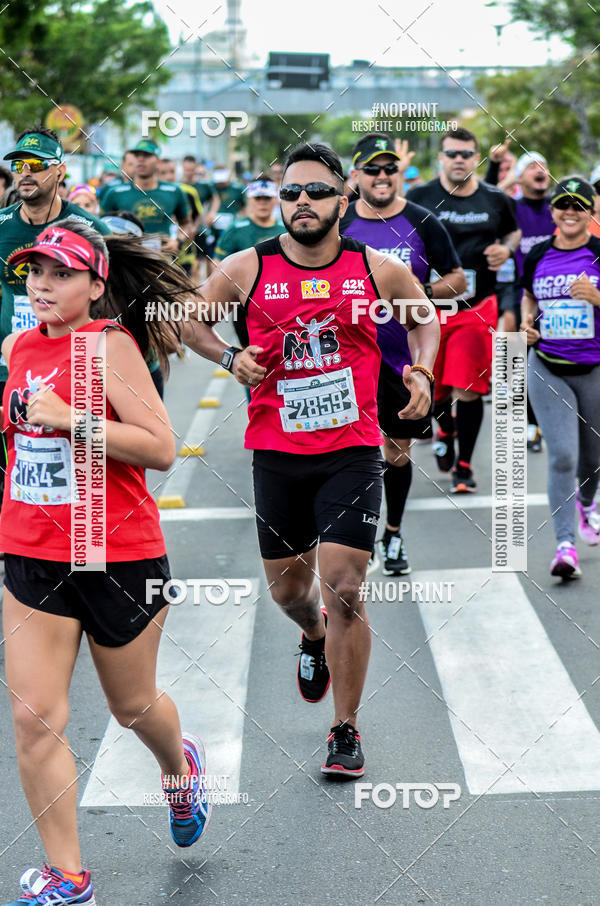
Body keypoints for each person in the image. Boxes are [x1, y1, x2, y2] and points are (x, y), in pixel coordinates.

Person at [182, 142, 439, 778]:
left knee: (346, 585)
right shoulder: (247, 268)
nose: (302, 202)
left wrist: (424, 373)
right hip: (276, 451)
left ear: (343, 200)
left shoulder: (376, 269)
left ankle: (345, 729)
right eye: (293, 192)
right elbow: (190, 323)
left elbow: (423, 319)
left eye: (317, 192)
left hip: (351, 448)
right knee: (291, 591)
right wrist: (228, 358)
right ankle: (312, 633)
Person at [0, 218, 211, 905]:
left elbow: (159, 447)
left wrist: (70, 418)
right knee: (34, 717)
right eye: (35, 272)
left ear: (95, 285)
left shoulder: (108, 346)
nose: (43, 285)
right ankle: (68, 877)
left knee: (132, 706)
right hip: (32, 552)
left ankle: (180, 769)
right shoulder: (18, 347)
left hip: (117, 552)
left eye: (61, 274)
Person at [341, 133, 465, 575]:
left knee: (396, 452)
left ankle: (392, 533)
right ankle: (358, 539)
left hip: (402, 360)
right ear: (355, 175)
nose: (381, 176)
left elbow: (457, 279)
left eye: (389, 168)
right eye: (372, 168)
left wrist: (412, 295)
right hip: (348, 360)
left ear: (400, 174)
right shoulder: (339, 226)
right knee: (352, 452)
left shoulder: (422, 220)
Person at [407, 127, 520, 492]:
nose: (459, 160)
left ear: (477, 158)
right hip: (429, 311)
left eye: (466, 154)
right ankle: (445, 429)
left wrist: (506, 250)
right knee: (436, 387)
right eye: (452, 153)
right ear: (440, 157)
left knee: (468, 388)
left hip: (475, 309)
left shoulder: (495, 198)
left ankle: (464, 467)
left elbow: (512, 233)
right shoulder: (420, 197)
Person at [521, 177, 600, 579]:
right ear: (552, 211)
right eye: (562, 205)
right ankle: (564, 545)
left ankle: (587, 502)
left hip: (595, 369)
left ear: (591, 212)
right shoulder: (536, 254)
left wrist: (598, 297)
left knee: (592, 459)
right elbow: (528, 297)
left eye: (578, 205)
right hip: (547, 365)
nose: (570, 212)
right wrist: (527, 323)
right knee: (563, 456)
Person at [214, 178, 283, 353]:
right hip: (245, 306)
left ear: (275, 199)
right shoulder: (236, 229)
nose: (262, 203)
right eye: (257, 198)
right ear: (249, 199)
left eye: (267, 198)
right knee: (251, 353)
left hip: (281, 300)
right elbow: (217, 265)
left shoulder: (285, 229)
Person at [99, 139, 192, 258]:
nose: (141, 159)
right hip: (126, 262)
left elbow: (187, 225)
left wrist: (177, 241)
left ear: (158, 161)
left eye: (146, 155)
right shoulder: (115, 193)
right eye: (137, 155)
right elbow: (101, 226)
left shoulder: (174, 191)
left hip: (162, 262)